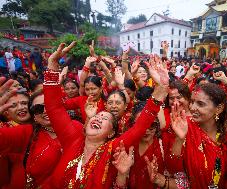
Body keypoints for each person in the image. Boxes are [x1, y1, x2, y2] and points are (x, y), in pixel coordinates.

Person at [43, 42, 169, 188]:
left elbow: (139, 127)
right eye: (97, 117)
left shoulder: (112, 150)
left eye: (104, 118)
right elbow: (54, 108)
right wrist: (52, 64)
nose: (98, 118)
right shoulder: (72, 140)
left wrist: (161, 89)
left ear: (111, 133)